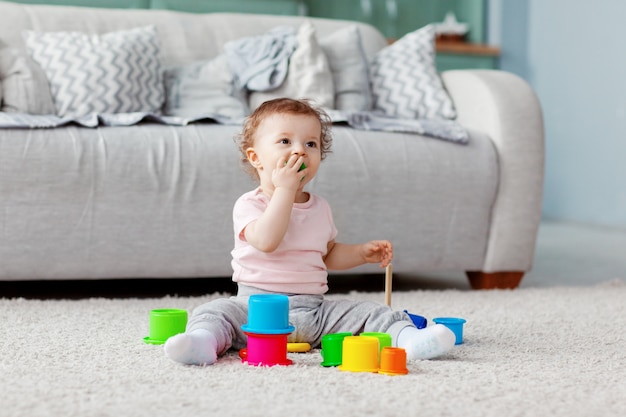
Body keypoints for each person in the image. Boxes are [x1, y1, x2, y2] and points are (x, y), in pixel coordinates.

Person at [164, 98, 455, 366]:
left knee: (373, 313)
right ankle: (202, 344)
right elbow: (266, 241)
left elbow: (327, 254)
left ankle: (410, 340)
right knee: (213, 313)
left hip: (314, 313)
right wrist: (285, 191)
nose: (300, 150)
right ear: (256, 157)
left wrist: (360, 253)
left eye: (311, 144)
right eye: (285, 141)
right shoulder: (249, 204)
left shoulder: (320, 207)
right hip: (254, 313)